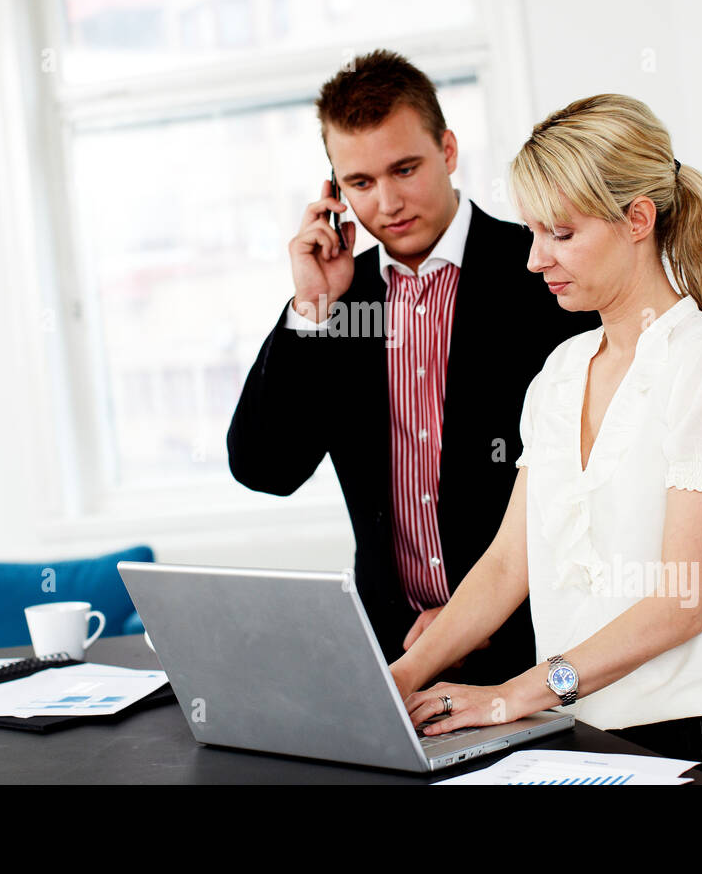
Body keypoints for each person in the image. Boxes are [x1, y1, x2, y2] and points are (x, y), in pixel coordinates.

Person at [388, 93, 702, 785]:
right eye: (532, 233)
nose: (534, 259)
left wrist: (511, 697)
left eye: (560, 233)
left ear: (638, 219)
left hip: (697, 755)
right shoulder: (560, 374)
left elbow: (681, 602)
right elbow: (504, 567)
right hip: (584, 743)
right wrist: (396, 679)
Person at [227, 51, 599, 686]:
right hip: (393, 658)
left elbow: (594, 486)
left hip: (540, 653)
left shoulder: (543, 271)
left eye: (405, 168)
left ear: (449, 150)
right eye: (361, 183)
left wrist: (470, 621)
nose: (389, 202)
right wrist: (312, 309)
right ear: (334, 192)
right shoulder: (340, 301)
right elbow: (266, 469)